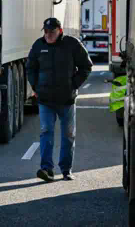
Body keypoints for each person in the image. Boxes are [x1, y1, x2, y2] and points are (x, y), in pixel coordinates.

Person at [26, 17, 93, 181]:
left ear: (60, 31)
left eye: (52, 32)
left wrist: (74, 84)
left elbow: (86, 66)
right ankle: (46, 169)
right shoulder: (38, 45)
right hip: (45, 100)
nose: (48, 35)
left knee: (68, 135)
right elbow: (30, 67)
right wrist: (35, 87)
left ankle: (66, 169)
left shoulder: (72, 44)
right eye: (46, 32)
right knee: (46, 131)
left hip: (66, 100)